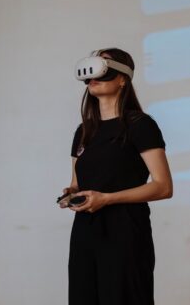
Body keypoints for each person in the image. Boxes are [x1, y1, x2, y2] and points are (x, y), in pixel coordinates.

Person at [59, 47, 173, 305]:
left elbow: (163, 186)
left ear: (122, 79)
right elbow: (77, 182)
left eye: (103, 68)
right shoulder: (83, 131)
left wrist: (107, 198)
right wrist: (71, 194)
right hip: (85, 233)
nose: (93, 77)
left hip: (124, 233)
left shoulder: (140, 125)